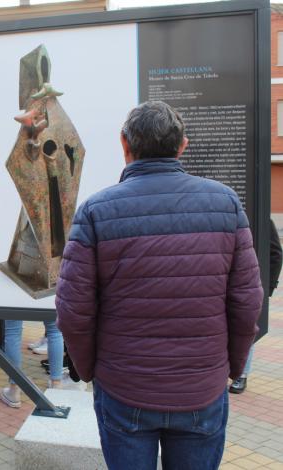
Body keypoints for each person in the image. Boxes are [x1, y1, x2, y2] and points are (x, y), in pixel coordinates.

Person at [56, 101, 263, 470]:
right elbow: (247, 302)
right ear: (182, 145)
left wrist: (91, 370)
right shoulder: (225, 203)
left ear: (124, 143)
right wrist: (229, 367)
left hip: (124, 387)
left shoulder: (96, 210)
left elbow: (73, 309)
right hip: (202, 388)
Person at [229, 219, 283, 394]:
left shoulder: (263, 221)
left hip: (253, 285)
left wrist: (268, 287)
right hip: (227, 284)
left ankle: (241, 375)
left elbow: (276, 253)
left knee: (246, 324)